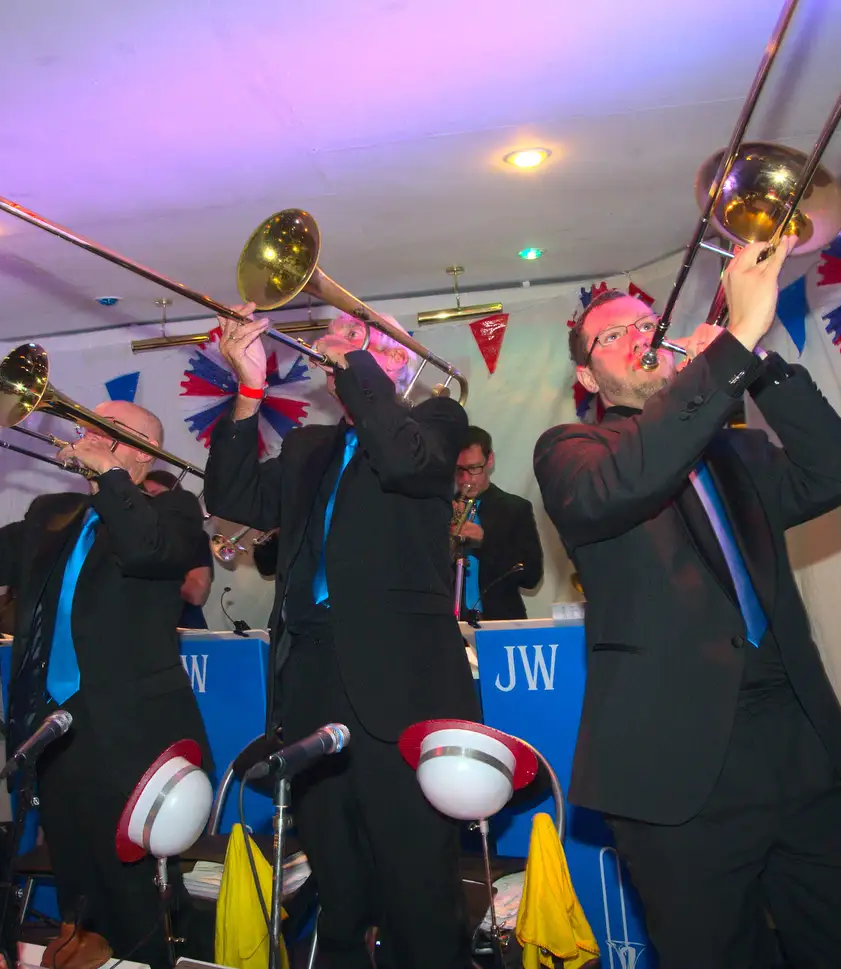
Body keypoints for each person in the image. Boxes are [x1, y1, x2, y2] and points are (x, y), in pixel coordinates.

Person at [533, 238, 841, 969]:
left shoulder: (739, 454)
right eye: (615, 334)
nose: (641, 335)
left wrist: (757, 366)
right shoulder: (572, 449)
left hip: (803, 750)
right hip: (679, 777)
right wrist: (726, 350)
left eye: (648, 322)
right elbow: (626, 481)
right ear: (587, 373)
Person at [205, 305, 479, 969]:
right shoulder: (308, 447)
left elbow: (401, 459)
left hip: (401, 691)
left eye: (367, 343)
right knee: (338, 885)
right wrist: (248, 389)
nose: (343, 353)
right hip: (313, 682)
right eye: (343, 346)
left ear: (402, 362)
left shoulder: (437, 422)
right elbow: (234, 495)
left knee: (418, 890)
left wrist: (361, 359)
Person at [0, 401, 212, 967]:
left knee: (136, 887)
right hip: (55, 725)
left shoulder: (174, 509)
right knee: (79, 880)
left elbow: (145, 549)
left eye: (99, 428)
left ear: (137, 448)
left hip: (133, 732)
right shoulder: (51, 515)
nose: (80, 434)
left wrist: (108, 473)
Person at [452, 426, 544, 621]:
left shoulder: (515, 509)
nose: (466, 479)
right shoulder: (441, 509)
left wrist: (484, 541)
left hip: (500, 621)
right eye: (459, 470)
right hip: (450, 627)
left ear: (490, 460)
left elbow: (531, 576)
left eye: (474, 468)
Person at [141, 470, 213, 629]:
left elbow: (196, 594)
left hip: (183, 630)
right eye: (146, 496)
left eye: (157, 494)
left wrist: (151, 568)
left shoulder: (196, 537)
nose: (152, 501)